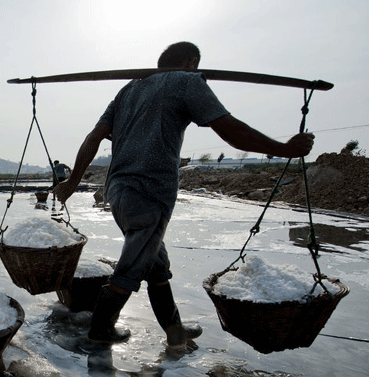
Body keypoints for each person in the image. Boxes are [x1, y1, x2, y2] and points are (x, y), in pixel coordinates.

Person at [53, 41, 315, 350]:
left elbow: (94, 137)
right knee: (131, 269)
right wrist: (284, 150)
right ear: (191, 62)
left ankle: (175, 332)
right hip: (150, 193)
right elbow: (229, 129)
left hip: (119, 193)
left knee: (156, 266)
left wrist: (71, 183)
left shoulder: (128, 90)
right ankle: (100, 331)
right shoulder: (187, 81)